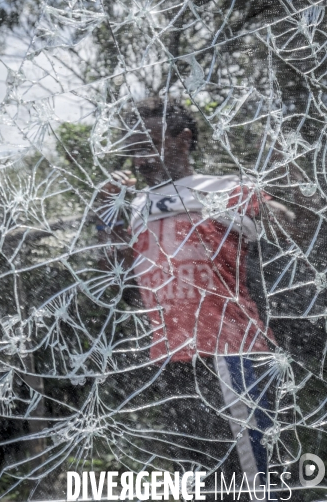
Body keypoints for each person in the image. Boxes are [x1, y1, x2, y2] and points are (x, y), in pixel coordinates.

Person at [96, 99, 293, 500]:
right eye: (132, 148)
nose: (139, 158)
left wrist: (262, 202)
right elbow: (114, 272)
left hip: (231, 354)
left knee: (255, 482)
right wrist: (108, 212)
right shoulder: (133, 205)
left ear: (183, 140)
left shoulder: (223, 189)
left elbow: (290, 223)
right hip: (170, 359)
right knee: (196, 483)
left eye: (148, 144)